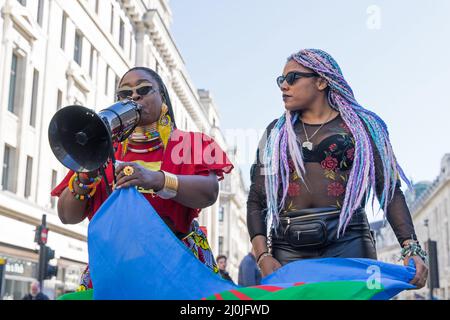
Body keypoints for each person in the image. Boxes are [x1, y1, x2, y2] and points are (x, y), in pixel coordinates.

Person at [247, 49, 428, 289]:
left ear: (321, 81)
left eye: (292, 78)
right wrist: (262, 256)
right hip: (288, 250)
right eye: (281, 80)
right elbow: (256, 201)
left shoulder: (364, 128)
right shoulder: (274, 134)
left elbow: (389, 191)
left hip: (350, 244)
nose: (283, 86)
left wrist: (411, 247)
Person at [51, 67, 234, 291]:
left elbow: (209, 192)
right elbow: (67, 215)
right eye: (125, 94)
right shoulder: (101, 150)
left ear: (163, 97)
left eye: (144, 89)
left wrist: (156, 179)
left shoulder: (191, 143)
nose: (134, 96)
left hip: (176, 266)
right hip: (116, 269)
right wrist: (85, 175)